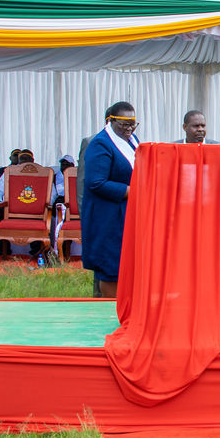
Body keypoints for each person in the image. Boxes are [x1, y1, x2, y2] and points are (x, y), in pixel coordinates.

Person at [82, 102, 139, 298]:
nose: (129, 128)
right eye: (124, 124)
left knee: (126, 264)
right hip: (107, 216)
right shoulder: (101, 144)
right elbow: (96, 182)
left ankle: (126, 305)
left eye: (132, 124)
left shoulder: (132, 141)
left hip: (126, 213)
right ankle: (108, 306)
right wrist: (134, 191)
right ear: (110, 121)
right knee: (111, 267)